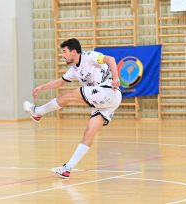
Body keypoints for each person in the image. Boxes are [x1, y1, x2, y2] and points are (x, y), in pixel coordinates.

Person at [23, 38, 121, 179]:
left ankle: (37, 112)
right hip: (107, 101)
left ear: (74, 52)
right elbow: (59, 82)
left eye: (64, 52)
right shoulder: (74, 70)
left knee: (68, 96)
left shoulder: (89, 56)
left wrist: (116, 78)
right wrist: (41, 87)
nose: (63, 55)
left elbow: (110, 59)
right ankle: (67, 169)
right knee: (89, 132)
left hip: (108, 91)